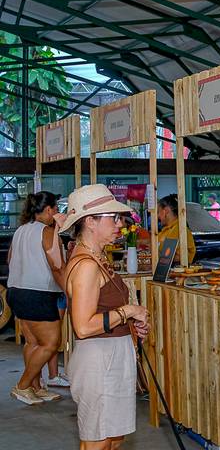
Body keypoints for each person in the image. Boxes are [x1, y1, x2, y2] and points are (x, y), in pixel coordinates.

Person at [59, 184, 150, 449]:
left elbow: (102, 309)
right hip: (100, 361)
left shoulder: (96, 257)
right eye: (113, 217)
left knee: (112, 438)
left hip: (110, 356)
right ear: (90, 221)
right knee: (99, 440)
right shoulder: (86, 266)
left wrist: (129, 325)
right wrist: (128, 311)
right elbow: (83, 326)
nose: (120, 224)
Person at [6, 191, 67, 404]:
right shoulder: (47, 231)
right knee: (51, 343)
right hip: (37, 293)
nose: (57, 212)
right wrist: (69, 289)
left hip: (16, 291)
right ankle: (23, 386)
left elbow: (10, 258)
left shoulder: (21, 230)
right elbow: (57, 265)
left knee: (32, 342)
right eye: (56, 208)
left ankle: (36, 387)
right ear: (48, 209)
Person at [157, 194, 196, 263]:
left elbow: (170, 257)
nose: (158, 216)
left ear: (166, 211)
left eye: (158, 212)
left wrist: (151, 247)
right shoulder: (167, 230)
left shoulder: (179, 229)